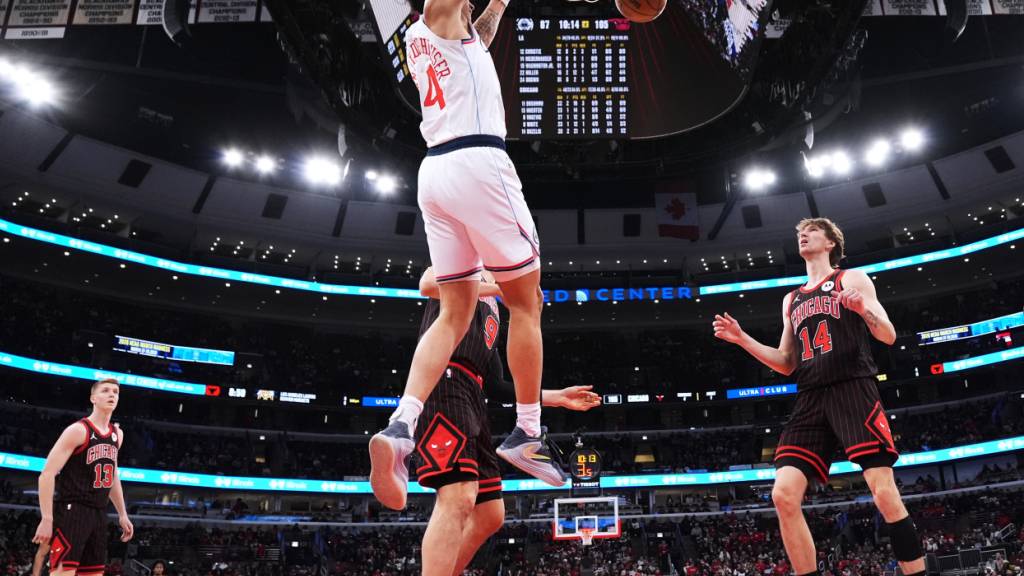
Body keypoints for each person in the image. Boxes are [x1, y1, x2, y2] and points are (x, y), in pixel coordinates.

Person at [369, 0, 559, 507]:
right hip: (479, 161)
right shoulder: (436, 15)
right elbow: (454, 14)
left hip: (435, 173)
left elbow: (478, 35)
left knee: (453, 314)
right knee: (526, 302)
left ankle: (401, 426)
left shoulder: (427, 40)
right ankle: (527, 432)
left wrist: (497, 5)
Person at [712, 218, 925, 576]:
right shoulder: (791, 299)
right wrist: (742, 339)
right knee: (782, 496)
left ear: (831, 243)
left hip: (852, 387)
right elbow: (786, 363)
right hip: (810, 397)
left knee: (884, 492)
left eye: (811, 231)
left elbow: (887, 335)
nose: (802, 235)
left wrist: (863, 310)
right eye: (798, 232)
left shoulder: (851, 279)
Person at [403, 268, 601, 575]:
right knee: (457, 496)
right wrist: (497, 290)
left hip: (473, 395)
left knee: (490, 514)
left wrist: (555, 397)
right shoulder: (463, 259)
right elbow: (427, 285)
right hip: (443, 379)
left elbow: (497, 386)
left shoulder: (493, 310)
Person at [32, 378, 134, 576]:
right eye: (105, 390)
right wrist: (46, 518)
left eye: (115, 391)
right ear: (93, 398)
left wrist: (122, 513)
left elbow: (112, 475)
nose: (112, 394)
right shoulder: (78, 430)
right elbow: (47, 474)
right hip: (72, 510)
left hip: (99, 513)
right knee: (63, 573)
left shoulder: (117, 434)